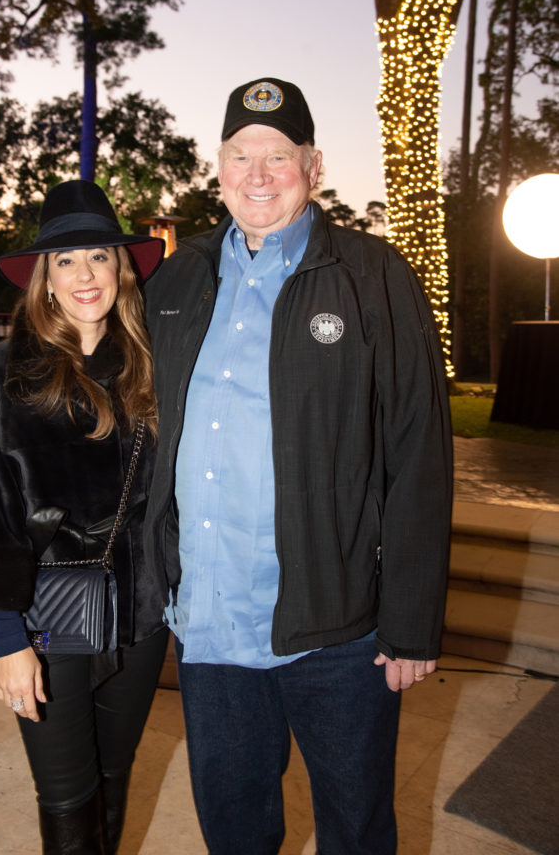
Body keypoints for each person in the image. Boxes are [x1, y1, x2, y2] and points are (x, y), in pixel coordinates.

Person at [143, 77, 453, 855]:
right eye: (240, 154)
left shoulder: (373, 276)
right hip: (211, 628)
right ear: (217, 167)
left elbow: (420, 448)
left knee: (354, 831)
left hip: (335, 628)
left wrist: (412, 623)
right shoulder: (179, 280)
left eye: (277, 155)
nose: (257, 173)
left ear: (312, 165)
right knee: (235, 832)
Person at [0, 179, 168, 855]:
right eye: (65, 260)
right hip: (46, 619)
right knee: (65, 796)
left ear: (122, 270)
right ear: (44, 279)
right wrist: (6, 640)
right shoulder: (2, 374)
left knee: (113, 781)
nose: (84, 274)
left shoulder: (154, 370)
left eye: (98, 256)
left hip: (142, 618)